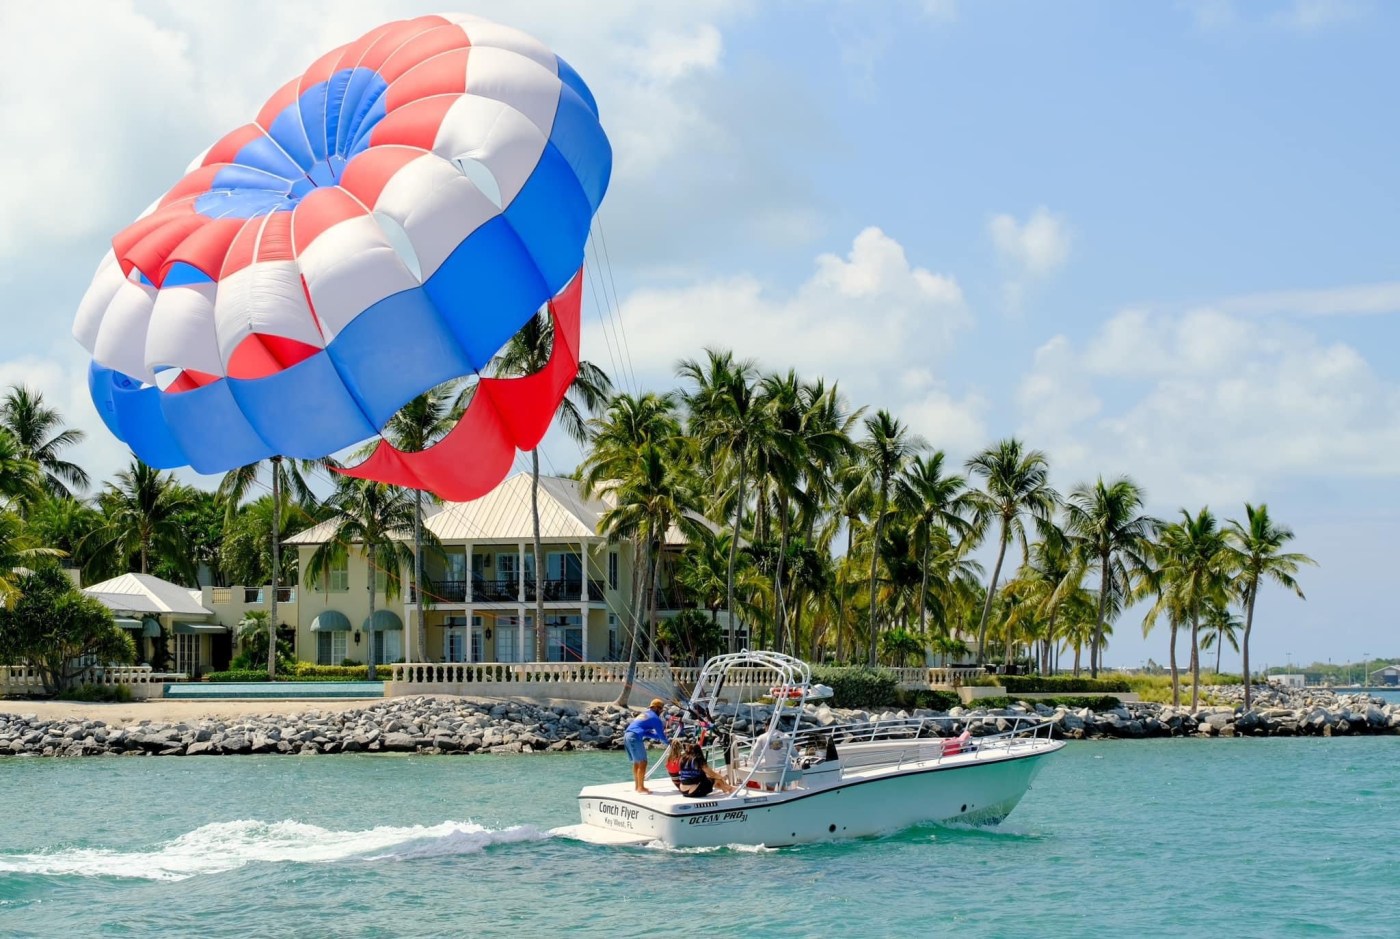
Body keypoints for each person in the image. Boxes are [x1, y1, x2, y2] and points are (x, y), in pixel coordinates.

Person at [622, 698, 669, 793]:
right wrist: (669, 743)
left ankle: (637, 786)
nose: (661, 712)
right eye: (660, 709)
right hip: (634, 737)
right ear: (656, 708)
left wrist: (658, 737)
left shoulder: (645, 714)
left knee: (637, 762)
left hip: (627, 736)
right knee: (643, 762)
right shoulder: (655, 719)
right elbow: (661, 735)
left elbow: (645, 732)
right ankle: (640, 787)